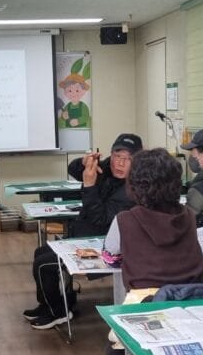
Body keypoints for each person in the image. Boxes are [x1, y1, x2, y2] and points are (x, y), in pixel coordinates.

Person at [93, 148, 203, 355]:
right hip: (189, 303)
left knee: (116, 352)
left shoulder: (125, 220)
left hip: (145, 305)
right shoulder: (189, 216)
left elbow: (110, 259)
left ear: (135, 184)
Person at [23, 133, 142, 330]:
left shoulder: (132, 189)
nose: (120, 163)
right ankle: (53, 304)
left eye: (127, 159)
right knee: (40, 252)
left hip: (105, 247)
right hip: (85, 236)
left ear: (137, 161)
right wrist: (84, 162)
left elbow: (100, 218)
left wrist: (89, 185)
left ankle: (57, 312)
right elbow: (74, 169)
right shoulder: (107, 168)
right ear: (111, 155)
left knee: (44, 264)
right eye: (117, 156)